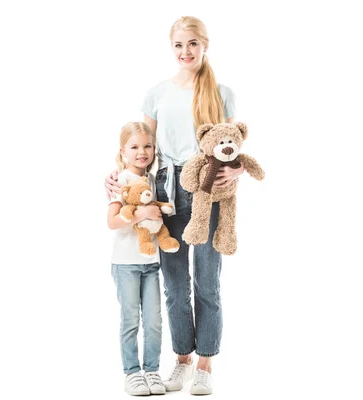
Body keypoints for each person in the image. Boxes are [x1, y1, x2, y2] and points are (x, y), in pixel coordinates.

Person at [105, 16, 243, 395]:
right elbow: (142, 149)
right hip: (167, 188)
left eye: (192, 44)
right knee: (174, 283)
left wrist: (237, 171)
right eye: (179, 45)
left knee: (207, 281)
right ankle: (181, 359)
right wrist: (116, 176)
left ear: (205, 46)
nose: (186, 52)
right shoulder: (157, 93)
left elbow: (232, 144)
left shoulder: (222, 92)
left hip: (208, 189)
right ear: (172, 48)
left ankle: (204, 365)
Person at [107, 121, 167, 396]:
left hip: (151, 263)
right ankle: (132, 373)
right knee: (131, 319)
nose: (142, 152)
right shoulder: (119, 180)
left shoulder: (154, 181)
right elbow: (112, 222)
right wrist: (141, 215)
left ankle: (152, 371)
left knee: (153, 320)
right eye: (134, 147)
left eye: (147, 146)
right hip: (126, 263)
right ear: (123, 151)